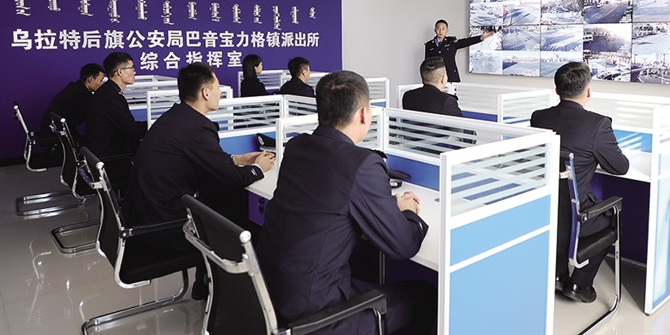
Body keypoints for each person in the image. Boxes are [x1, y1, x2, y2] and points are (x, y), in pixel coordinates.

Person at [257, 71, 436, 334]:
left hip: (269, 293)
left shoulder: (296, 147)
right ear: (363, 114)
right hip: (314, 313)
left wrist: (386, 207)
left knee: (365, 265)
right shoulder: (362, 164)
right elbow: (404, 245)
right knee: (424, 295)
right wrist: (407, 212)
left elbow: (330, 200)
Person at [124, 62, 275, 299]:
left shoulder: (177, 117)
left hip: (144, 215)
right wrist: (259, 168)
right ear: (205, 92)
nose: (220, 92)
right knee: (246, 222)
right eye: (217, 87)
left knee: (221, 200)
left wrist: (238, 159)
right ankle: (239, 298)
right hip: (164, 228)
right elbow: (235, 179)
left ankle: (205, 284)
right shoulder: (198, 127)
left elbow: (202, 158)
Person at [530, 61, 629, 303]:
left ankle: (558, 274)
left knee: (563, 210)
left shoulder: (538, 118)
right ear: (588, 92)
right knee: (614, 219)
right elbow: (620, 167)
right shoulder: (597, 124)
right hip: (577, 222)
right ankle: (579, 284)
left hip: (542, 214)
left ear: (557, 90)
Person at [84, 52, 147, 158]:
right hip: (109, 157)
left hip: (98, 152)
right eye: (131, 68)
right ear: (120, 72)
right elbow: (134, 131)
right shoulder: (113, 98)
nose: (134, 72)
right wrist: (156, 124)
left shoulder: (106, 91)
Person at [39, 63, 105, 143]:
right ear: (90, 79)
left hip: (52, 132)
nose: (101, 84)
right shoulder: (82, 96)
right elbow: (98, 114)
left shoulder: (75, 88)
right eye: (101, 80)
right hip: (56, 136)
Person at [424, 19, 494, 82]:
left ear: (447, 30)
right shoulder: (429, 45)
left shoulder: (451, 42)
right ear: (435, 30)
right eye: (438, 29)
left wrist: (481, 37)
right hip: (436, 78)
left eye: (443, 29)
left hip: (451, 76)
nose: (440, 31)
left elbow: (466, 42)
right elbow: (427, 64)